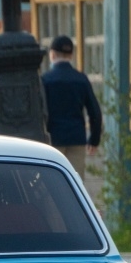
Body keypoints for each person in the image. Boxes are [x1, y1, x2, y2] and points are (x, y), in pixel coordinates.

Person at [41, 35, 102, 177]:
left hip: (53, 139)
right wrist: (94, 139)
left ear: (53, 54)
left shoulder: (45, 80)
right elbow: (95, 111)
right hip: (77, 138)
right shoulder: (81, 79)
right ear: (71, 55)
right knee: (75, 182)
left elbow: (41, 111)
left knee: (52, 181)